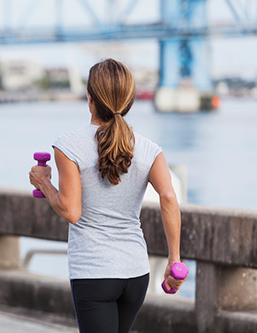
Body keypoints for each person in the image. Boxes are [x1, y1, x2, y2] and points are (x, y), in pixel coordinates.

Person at [29, 58, 187, 333]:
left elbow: (71, 211)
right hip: (136, 274)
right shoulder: (150, 149)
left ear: (90, 99)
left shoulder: (69, 146)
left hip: (94, 272)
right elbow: (169, 198)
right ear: (129, 100)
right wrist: (174, 260)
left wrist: (44, 184)